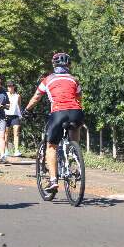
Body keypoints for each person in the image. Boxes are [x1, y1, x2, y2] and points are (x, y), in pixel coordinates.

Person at [23, 53, 84, 192]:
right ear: (69, 65)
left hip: (58, 112)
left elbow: (36, 97)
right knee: (75, 131)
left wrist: (26, 110)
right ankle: (76, 156)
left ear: (54, 65)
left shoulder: (48, 80)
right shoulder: (74, 80)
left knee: (51, 147)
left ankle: (53, 181)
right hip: (76, 112)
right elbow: (79, 97)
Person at [5, 81, 22, 157]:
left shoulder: (17, 96)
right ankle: (6, 150)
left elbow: (19, 106)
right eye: (8, 86)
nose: (9, 87)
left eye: (11, 86)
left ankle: (16, 150)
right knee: (6, 133)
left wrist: (20, 115)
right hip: (6, 115)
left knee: (16, 133)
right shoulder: (5, 95)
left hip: (15, 116)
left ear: (14, 87)